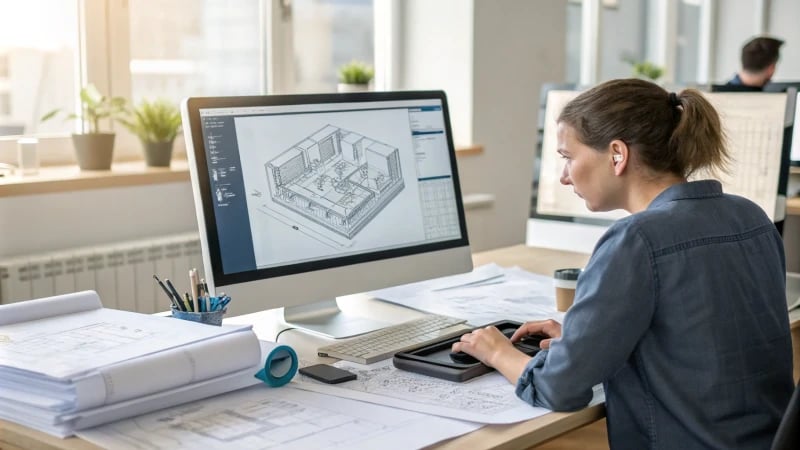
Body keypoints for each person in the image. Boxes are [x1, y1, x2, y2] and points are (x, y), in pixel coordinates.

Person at [452, 79, 794, 449]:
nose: (564, 176)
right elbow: (701, 338)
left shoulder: (636, 239)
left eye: (568, 157)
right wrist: (585, 342)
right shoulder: (752, 217)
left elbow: (560, 389)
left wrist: (497, 351)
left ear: (617, 154)